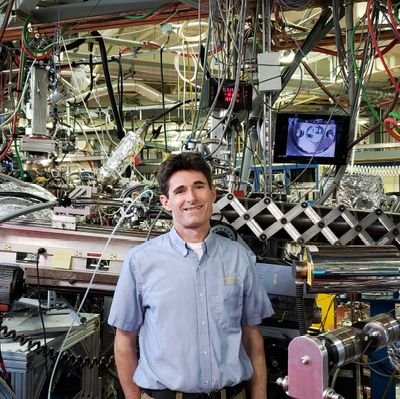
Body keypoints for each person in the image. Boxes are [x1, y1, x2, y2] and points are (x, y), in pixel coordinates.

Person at [108, 151, 274, 399]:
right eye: (180, 191)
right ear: (166, 202)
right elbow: (124, 340)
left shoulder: (239, 258)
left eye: (199, 187)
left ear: (212, 194)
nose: (191, 197)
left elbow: (252, 338)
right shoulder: (141, 261)